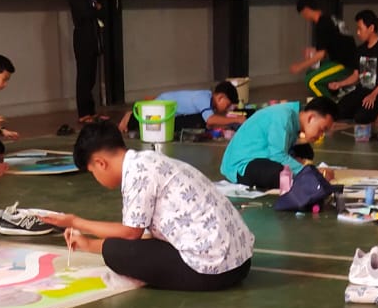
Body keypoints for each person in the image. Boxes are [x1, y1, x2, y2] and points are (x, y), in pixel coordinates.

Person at [47, 120, 254, 291]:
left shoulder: (137, 175)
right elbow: (143, 234)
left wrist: (76, 222)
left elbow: (131, 234)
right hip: (240, 262)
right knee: (123, 244)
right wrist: (88, 242)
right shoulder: (147, 160)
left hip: (213, 271)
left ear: (101, 163)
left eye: (93, 172)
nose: (96, 178)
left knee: (114, 251)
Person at [219, 96, 337, 190]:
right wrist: (311, 173)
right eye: (322, 129)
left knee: (305, 152)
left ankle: (298, 177)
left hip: (261, 156)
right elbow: (277, 155)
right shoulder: (283, 116)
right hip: (242, 165)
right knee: (278, 173)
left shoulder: (293, 118)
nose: (321, 135)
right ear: (311, 118)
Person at [332, 9, 378, 127]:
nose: (358, 32)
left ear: (371, 28)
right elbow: (356, 76)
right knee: (338, 111)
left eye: (360, 28)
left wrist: (374, 94)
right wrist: (339, 84)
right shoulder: (360, 50)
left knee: (361, 118)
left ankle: (375, 113)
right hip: (362, 90)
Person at [292, 0, 358, 100]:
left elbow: (321, 55)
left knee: (311, 81)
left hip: (346, 63)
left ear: (306, 10)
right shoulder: (329, 18)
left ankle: (327, 106)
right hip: (341, 59)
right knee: (310, 73)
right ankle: (333, 96)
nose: (304, 17)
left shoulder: (322, 24)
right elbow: (330, 44)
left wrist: (300, 66)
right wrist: (312, 50)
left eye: (303, 14)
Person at [119, 82, 244, 133]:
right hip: (162, 107)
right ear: (220, 97)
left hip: (170, 110)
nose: (227, 108)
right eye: (227, 105)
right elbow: (210, 120)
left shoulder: (207, 99)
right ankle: (130, 116)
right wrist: (237, 119)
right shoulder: (204, 98)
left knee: (198, 121)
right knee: (146, 124)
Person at [69, 0, 103, 122]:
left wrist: (95, 7)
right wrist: (94, 7)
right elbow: (85, 12)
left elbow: (98, 7)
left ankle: (91, 110)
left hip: (93, 36)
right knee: (83, 76)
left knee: (91, 76)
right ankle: (83, 113)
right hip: (82, 37)